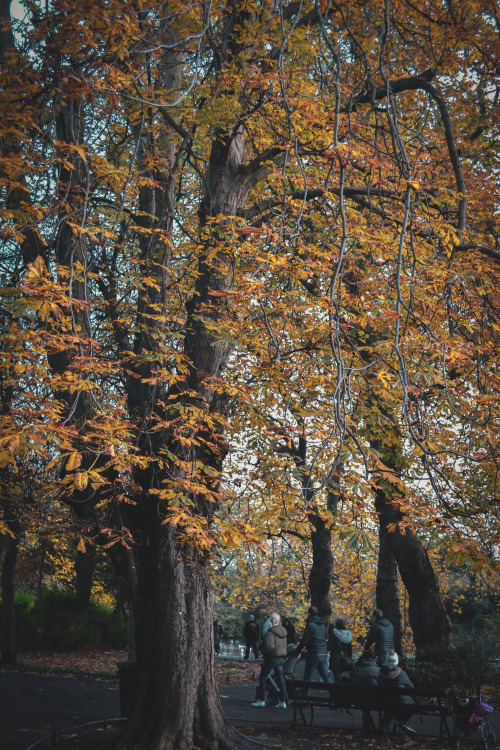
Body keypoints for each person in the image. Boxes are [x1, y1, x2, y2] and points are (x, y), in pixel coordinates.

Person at [251, 613, 288, 709]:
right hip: (280, 658)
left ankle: (261, 700)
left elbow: (268, 647)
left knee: (262, 677)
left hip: (272, 658)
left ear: (272, 620)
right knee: (280, 680)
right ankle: (282, 701)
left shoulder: (270, 632)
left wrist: (265, 654)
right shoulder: (283, 631)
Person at [378, 650, 416, 734]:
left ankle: (387, 724)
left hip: (384, 702)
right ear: (397, 660)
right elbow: (411, 687)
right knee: (413, 704)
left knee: (390, 704)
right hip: (400, 703)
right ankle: (400, 722)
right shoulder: (402, 674)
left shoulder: (380, 674)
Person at [295, 606, 332, 684]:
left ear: (309, 613)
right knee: (326, 676)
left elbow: (304, 640)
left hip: (314, 653)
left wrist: (298, 650)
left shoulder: (310, 625)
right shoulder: (322, 625)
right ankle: (333, 693)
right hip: (323, 652)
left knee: (307, 677)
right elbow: (324, 637)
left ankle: (304, 694)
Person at [350, 647, 380, 731]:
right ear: (374, 659)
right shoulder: (378, 671)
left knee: (363, 695)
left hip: (356, 700)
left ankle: (366, 721)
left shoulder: (356, 670)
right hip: (374, 701)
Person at [328, 617, 353, 682]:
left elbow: (329, 647)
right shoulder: (348, 635)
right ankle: (338, 689)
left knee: (337, 675)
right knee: (339, 673)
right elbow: (350, 648)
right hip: (345, 657)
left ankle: (337, 690)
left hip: (335, 657)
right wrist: (349, 657)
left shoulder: (334, 633)